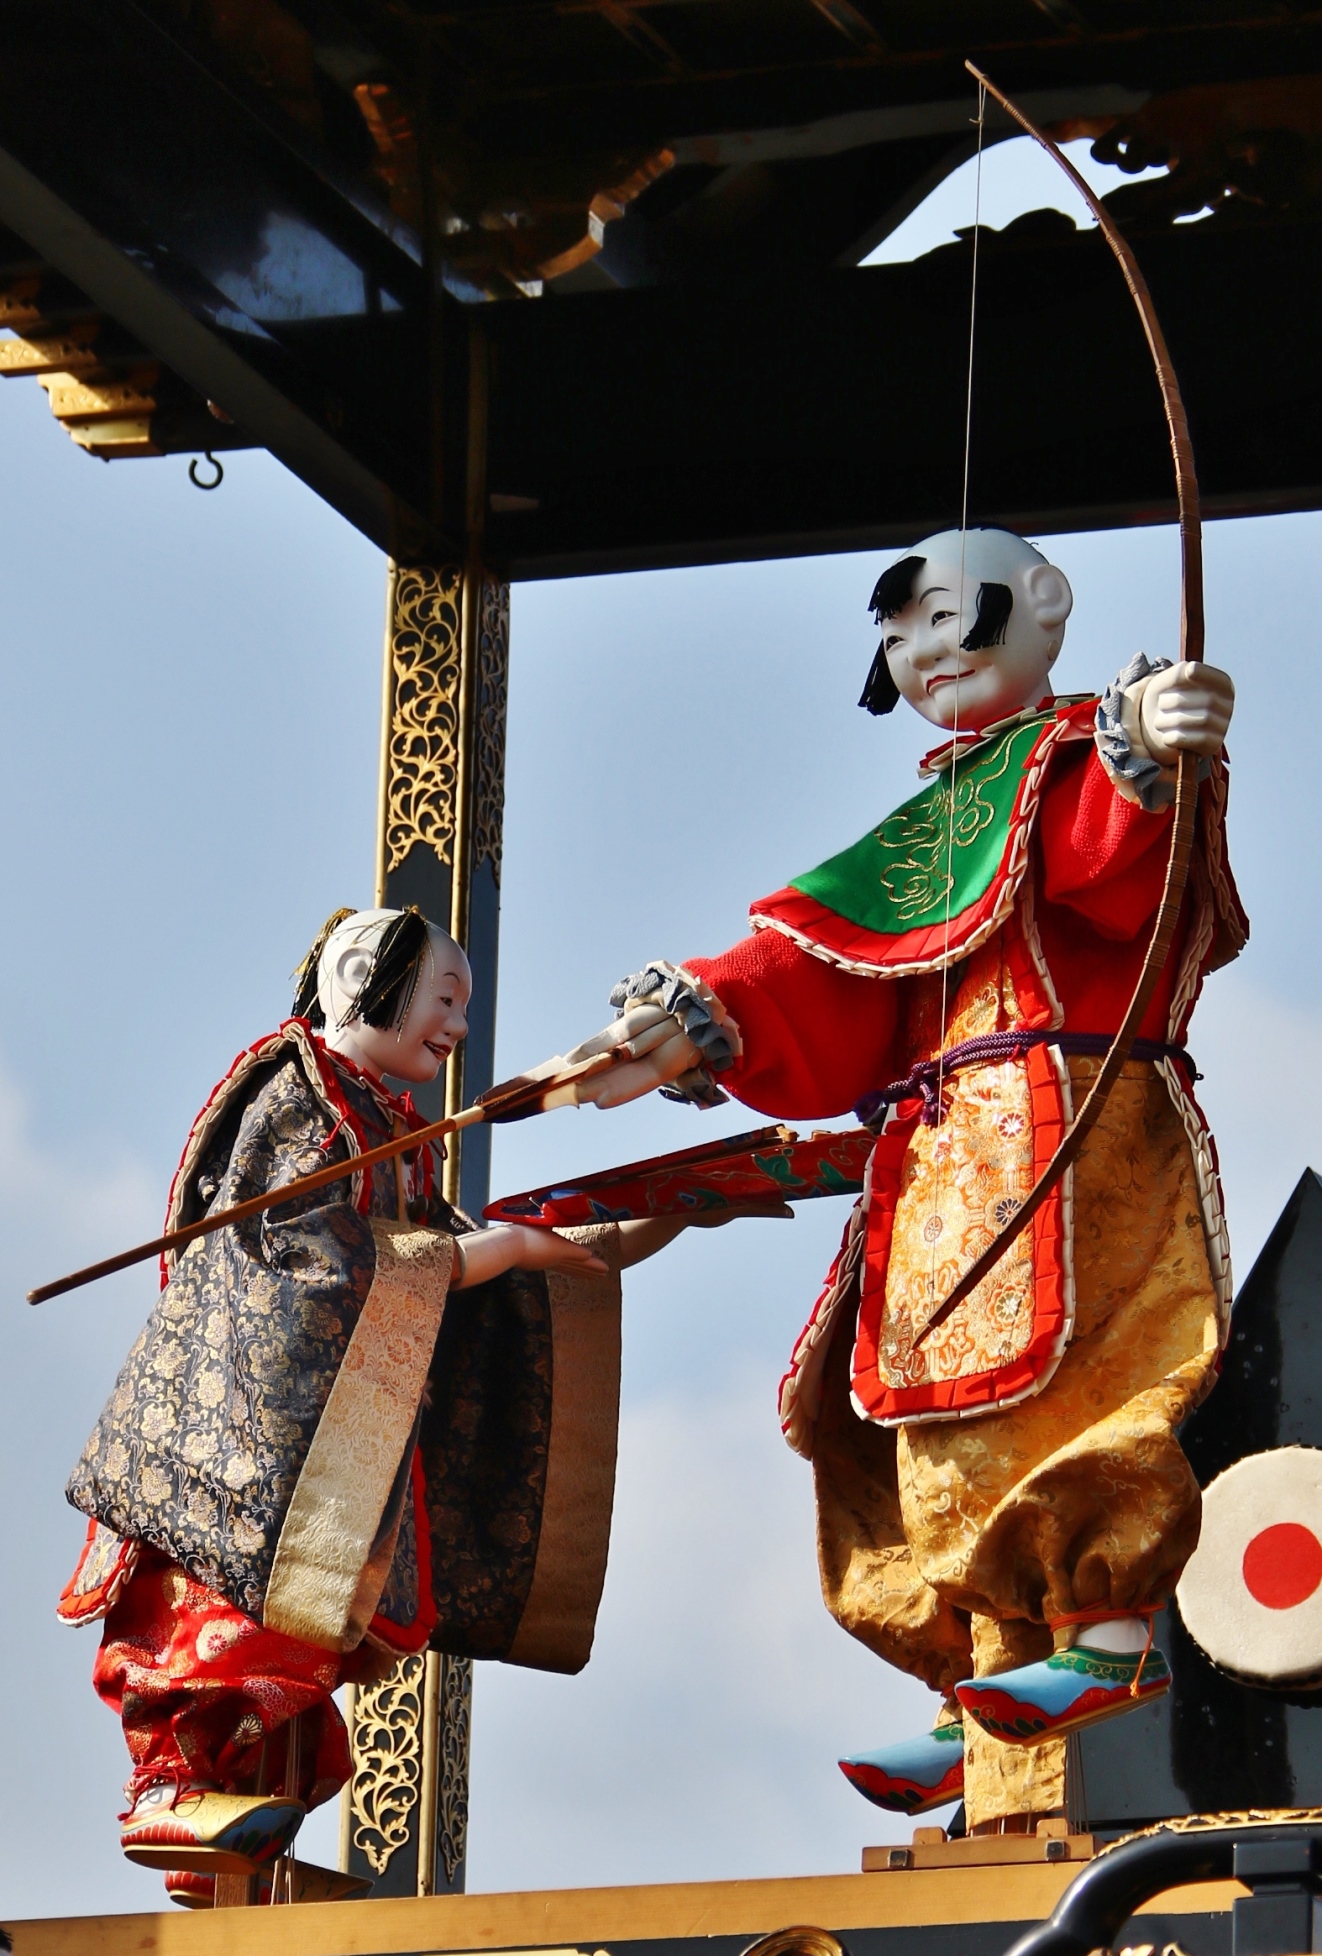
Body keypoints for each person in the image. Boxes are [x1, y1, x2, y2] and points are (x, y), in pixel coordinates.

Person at [567, 527, 1245, 1832]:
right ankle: (977, 1672)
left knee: (1068, 1389)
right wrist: (702, 1015)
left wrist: (1149, 755)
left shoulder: (1079, 753)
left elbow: (1118, 885)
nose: (922, 650)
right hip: (940, 1156)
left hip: (1077, 1120)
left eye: (943, 614)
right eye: (896, 633)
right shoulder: (949, 803)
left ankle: (1103, 1632)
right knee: (897, 1419)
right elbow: (831, 973)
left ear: (1043, 605)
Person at [60, 905, 768, 1890]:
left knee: (299, 1651)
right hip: (238, 1447)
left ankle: (238, 1846)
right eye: (446, 997)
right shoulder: (297, 1094)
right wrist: (505, 1248)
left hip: (323, 1459)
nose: (460, 1028)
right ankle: (173, 1791)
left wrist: (652, 1216)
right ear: (363, 979)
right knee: (222, 1628)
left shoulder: (387, 1128)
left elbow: (452, 1264)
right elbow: (317, 1259)